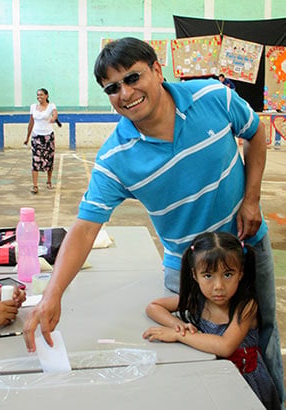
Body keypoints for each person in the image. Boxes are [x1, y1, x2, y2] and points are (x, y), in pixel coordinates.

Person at [23, 37, 284, 405]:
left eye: (133, 78)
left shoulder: (214, 97)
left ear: (157, 70)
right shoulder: (116, 158)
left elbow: (256, 133)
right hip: (188, 271)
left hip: (246, 245)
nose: (125, 93)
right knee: (195, 364)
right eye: (112, 88)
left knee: (262, 335)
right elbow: (84, 229)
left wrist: (252, 199)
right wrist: (52, 296)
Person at [143, 232, 280, 410]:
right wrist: (180, 326)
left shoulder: (246, 307)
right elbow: (153, 307)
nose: (218, 286)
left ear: (240, 273)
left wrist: (179, 336)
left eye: (228, 274)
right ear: (195, 275)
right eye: (208, 275)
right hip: (212, 377)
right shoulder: (198, 301)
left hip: (246, 383)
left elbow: (225, 346)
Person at [24, 88, 59, 194]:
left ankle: (48, 181)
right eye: (38, 95)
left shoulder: (51, 106)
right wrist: (27, 137)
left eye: (42, 95)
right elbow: (31, 122)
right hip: (36, 137)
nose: (39, 97)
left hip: (48, 137)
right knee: (35, 161)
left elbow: (55, 114)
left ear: (47, 96)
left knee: (49, 159)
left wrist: (53, 118)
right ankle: (35, 186)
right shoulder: (33, 107)